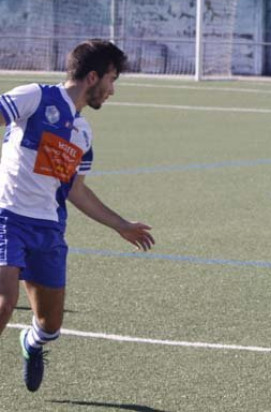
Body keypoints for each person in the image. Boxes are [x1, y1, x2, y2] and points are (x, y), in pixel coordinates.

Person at [0, 39, 155, 392]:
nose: (112, 90)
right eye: (112, 80)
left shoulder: (82, 133)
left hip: (48, 230)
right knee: (4, 303)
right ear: (92, 77)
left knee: (50, 326)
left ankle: (32, 343)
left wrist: (122, 226)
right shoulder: (35, 97)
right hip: (6, 217)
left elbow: (74, 190)